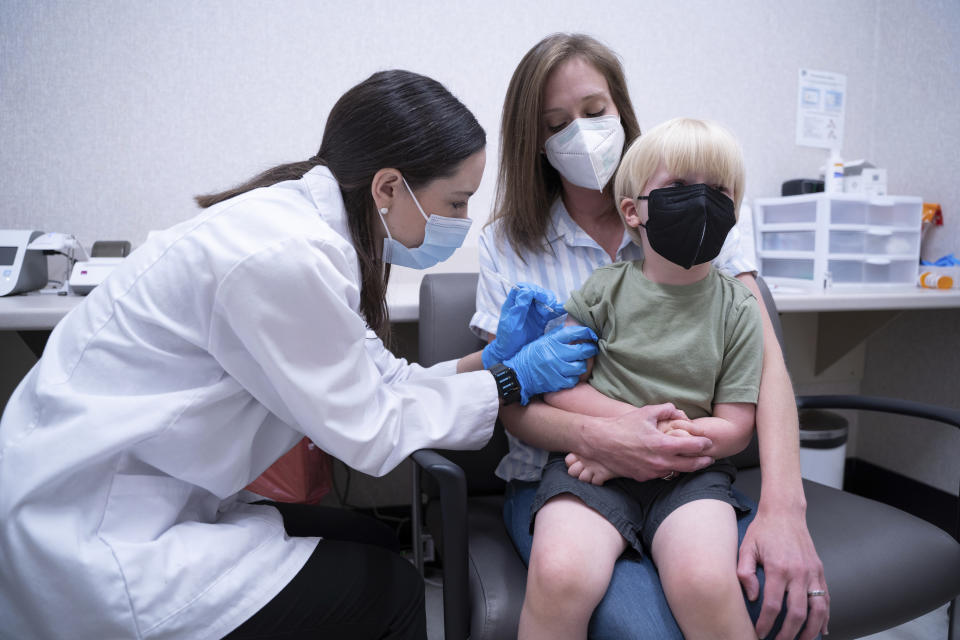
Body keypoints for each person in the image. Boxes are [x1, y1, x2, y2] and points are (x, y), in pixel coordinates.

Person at [0, 69, 596, 640]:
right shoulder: (285, 256)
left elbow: (384, 378)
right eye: (456, 202)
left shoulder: (307, 233)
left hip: (138, 492)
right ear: (389, 188)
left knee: (374, 539)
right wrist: (512, 382)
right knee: (394, 593)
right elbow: (371, 430)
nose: (463, 221)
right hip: (96, 537)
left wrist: (491, 363)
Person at [471, 33, 829, 639]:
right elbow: (516, 390)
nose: (580, 133)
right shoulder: (511, 245)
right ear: (534, 141)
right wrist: (615, 437)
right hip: (573, 471)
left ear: (621, 109)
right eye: (557, 124)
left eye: (594, 111)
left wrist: (784, 506)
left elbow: (763, 369)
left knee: (725, 596)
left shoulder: (704, 218)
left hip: (689, 472)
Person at [521, 117, 763, 639]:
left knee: (705, 582)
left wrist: (665, 443)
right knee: (560, 574)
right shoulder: (600, 291)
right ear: (632, 210)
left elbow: (736, 427)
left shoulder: (740, 307)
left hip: (692, 476)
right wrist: (627, 434)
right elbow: (562, 387)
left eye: (719, 189)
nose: (701, 200)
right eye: (678, 187)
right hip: (589, 464)